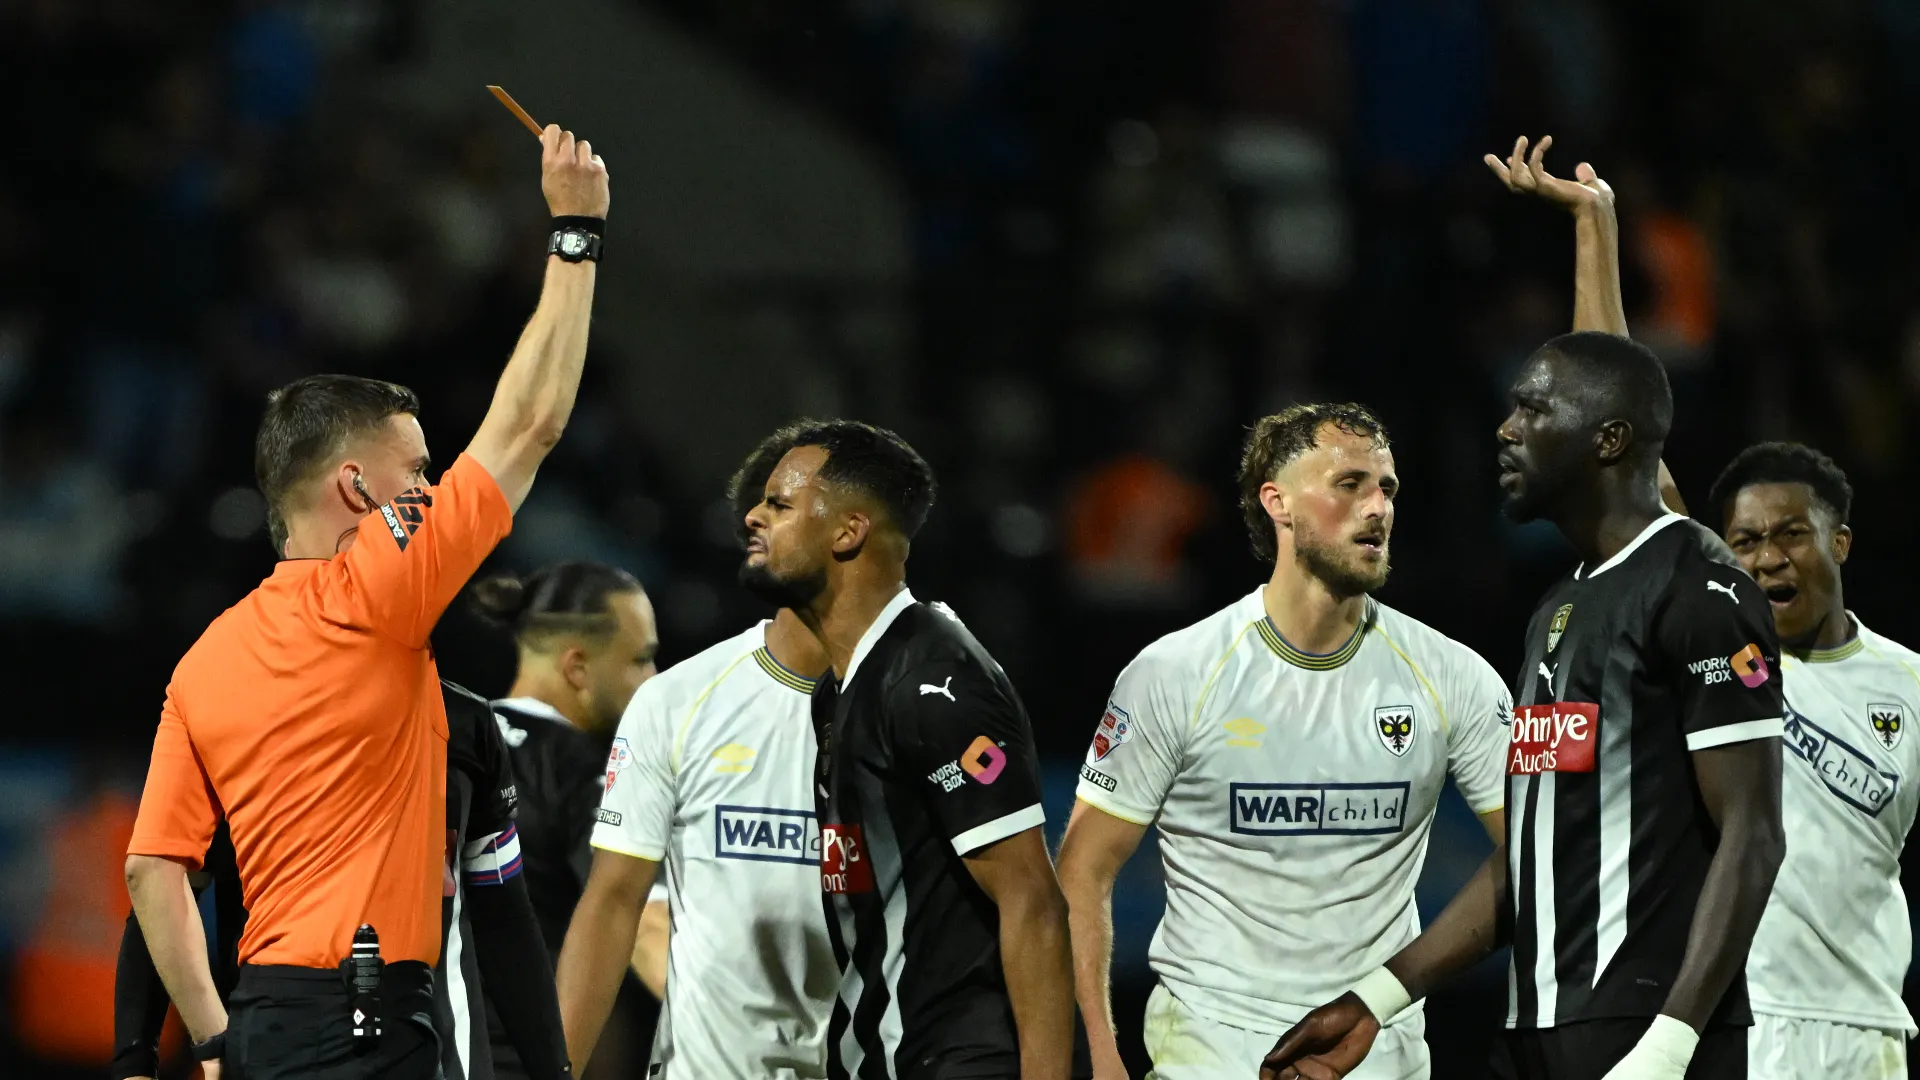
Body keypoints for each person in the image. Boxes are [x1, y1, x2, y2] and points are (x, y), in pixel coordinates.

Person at [123, 123, 609, 1080]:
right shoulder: (378, 588)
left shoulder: (204, 660)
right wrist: (576, 232)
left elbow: (152, 871)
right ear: (355, 488)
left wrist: (211, 1039)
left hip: (262, 1024)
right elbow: (530, 424)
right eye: (417, 471)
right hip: (367, 1024)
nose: (430, 491)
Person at [1263, 325, 1786, 1080]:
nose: (1506, 430)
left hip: (1644, 1036)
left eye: (1534, 409)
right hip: (1534, 1033)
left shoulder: (1698, 591)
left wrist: (1671, 1047)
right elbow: (1534, 854)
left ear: (1609, 439)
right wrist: (1378, 998)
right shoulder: (1557, 608)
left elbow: (1754, 833)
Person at [1055, 402, 1512, 1080]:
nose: (1377, 508)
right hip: (1208, 1058)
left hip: (1381, 1059)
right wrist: (1097, 1053)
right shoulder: (1175, 673)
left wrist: (1386, 994)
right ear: (1278, 502)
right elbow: (1084, 869)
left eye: (1387, 488)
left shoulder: (1452, 675)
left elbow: (1539, 854)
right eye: (1349, 484)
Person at [742, 420, 1073, 1080]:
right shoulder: (841, 688)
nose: (753, 515)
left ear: (848, 532)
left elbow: (1033, 902)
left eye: (779, 503)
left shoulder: (935, 683)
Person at [555, 422, 837, 1078]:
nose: (758, 523)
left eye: (784, 506)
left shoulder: (925, 700)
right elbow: (621, 908)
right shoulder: (677, 702)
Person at [115, 682, 573, 1080]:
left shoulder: (464, 722)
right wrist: (140, 1057)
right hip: (288, 1050)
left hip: (430, 1052)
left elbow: (506, 918)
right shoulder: (242, 715)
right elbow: (160, 883)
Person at [1707, 443, 1920, 1077]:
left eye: (1792, 534)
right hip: (1748, 1020)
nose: (1768, 557)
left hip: (1870, 1029)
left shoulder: (1910, 682)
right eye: (1746, 542)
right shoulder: (1724, 666)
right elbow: (1648, 481)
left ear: (1840, 543)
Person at [471, 561, 658, 1078]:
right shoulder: (581, 769)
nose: (654, 681)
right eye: (641, 660)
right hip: (519, 1062)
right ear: (577, 667)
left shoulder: (443, 738)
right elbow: (642, 920)